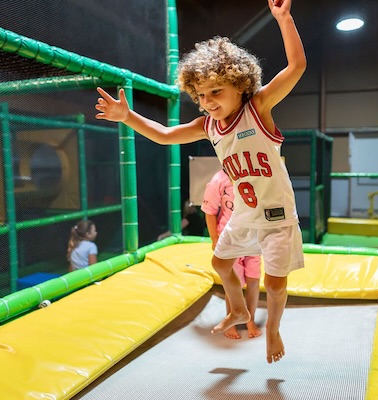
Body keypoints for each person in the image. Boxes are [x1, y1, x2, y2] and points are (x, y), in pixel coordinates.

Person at [94, 0, 306, 363]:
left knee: (274, 282)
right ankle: (239, 310)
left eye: (216, 92)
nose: (208, 102)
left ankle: (272, 328)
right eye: (201, 96)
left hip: (275, 213)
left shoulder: (259, 108)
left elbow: (297, 66)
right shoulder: (208, 126)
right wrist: (128, 117)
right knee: (222, 264)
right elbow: (163, 134)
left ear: (240, 86)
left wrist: (284, 19)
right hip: (244, 212)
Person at [202, 169, 262, 340]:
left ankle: (250, 319)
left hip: (253, 236)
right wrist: (214, 237)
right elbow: (210, 211)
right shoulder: (219, 179)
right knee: (232, 282)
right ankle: (233, 319)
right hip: (229, 238)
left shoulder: (255, 175)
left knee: (253, 280)